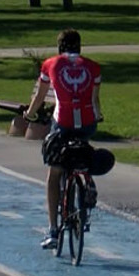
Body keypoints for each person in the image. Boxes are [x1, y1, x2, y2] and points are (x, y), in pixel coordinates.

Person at [24, 28, 103, 249]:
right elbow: (95, 99)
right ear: (79, 46)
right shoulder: (93, 67)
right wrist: (98, 115)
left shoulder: (51, 64)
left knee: (54, 171)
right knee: (82, 151)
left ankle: (52, 230)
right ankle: (86, 182)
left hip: (63, 121)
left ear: (60, 47)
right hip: (87, 122)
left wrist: (29, 114)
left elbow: (40, 96)